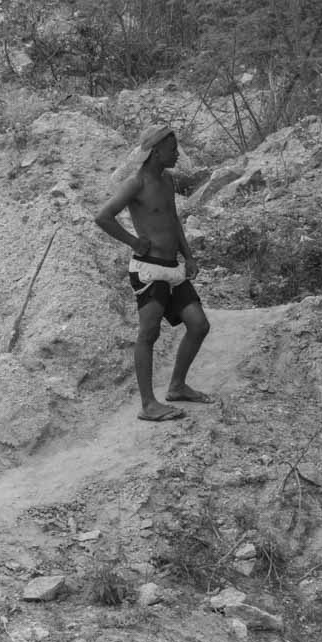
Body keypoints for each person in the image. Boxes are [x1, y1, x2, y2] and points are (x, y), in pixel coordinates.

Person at [95, 123, 212, 422]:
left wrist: (188, 256)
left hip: (172, 268)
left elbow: (173, 220)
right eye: (173, 149)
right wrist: (134, 241)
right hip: (149, 270)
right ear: (157, 151)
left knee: (198, 325)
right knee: (148, 333)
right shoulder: (136, 183)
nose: (177, 154)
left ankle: (177, 386)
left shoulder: (167, 181)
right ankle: (148, 405)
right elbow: (103, 217)